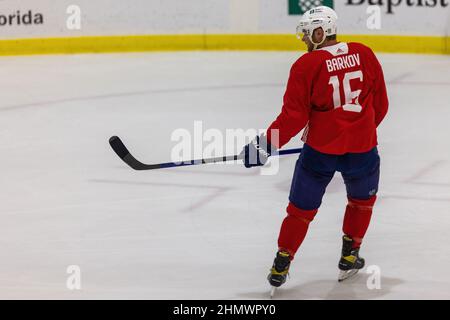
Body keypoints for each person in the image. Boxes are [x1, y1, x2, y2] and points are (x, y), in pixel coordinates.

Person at [241, 6, 389, 289]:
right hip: (363, 151)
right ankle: (350, 255)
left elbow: (293, 117)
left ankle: (281, 263)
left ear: (320, 32)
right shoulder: (365, 54)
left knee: (300, 210)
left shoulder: (306, 66)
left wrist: (264, 145)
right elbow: (380, 106)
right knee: (361, 203)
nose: (305, 41)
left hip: (320, 153)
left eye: (308, 35)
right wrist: (358, 132)